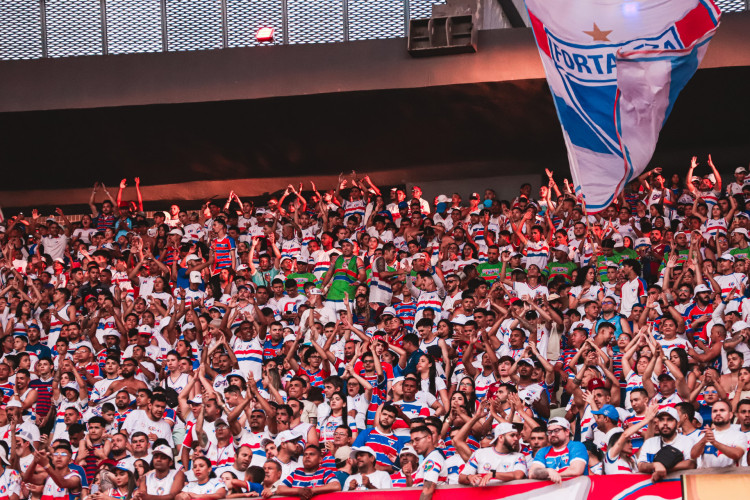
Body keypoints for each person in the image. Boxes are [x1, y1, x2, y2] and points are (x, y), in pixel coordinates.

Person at [637, 407, 696, 481]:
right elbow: (641, 466)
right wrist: (655, 465)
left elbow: (690, 464)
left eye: (670, 419)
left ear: (677, 424)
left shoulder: (687, 441)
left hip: (678, 485)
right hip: (653, 486)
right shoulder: (649, 442)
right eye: (661, 420)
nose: (665, 423)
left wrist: (663, 468)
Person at [458, 422, 527, 486]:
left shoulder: (519, 456)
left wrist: (494, 474)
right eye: (512, 435)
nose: (516, 438)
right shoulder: (480, 453)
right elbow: (461, 478)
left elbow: (518, 475)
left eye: (517, 436)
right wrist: (469, 477)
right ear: (500, 437)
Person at [529, 417, 588, 483]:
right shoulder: (543, 451)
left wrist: (555, 475)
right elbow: (532, 473)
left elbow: (576, 470)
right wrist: (548, 471)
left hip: (576, 489)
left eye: (556, 430)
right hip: (550, 491)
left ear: (567, 432)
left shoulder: (576, 446)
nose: (553, 434)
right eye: (549, 432)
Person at [690, 400, 747, 468]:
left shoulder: (739, 435)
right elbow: (693, 455)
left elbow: (737, 454)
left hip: (731, 477)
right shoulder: (704, 436)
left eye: (722, 410)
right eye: (715, 411)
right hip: (707, 477)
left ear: (730, 415)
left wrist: (714, 442)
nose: (718, 413)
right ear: (711, 415)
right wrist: (704, 440)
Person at [275, 445, 340, 498]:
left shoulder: (325, 471)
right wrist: (299, 490)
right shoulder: (296, 472)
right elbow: (280, 489)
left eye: (311, 454)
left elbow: (336, 486)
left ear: (320, 459)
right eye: (305, 454)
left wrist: (311, 491)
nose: (307, 456)